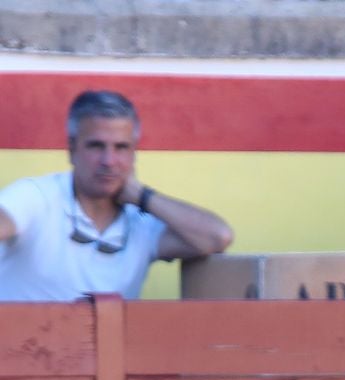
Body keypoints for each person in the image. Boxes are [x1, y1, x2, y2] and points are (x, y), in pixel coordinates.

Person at [0, 90, 233, 302]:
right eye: (96, 146)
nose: (109, 161)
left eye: (121, 147)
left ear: (134, 153)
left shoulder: (142, 221)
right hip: (25, 347)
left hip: (106, 348)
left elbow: (218, 237)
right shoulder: (37, 196)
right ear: (72, 149)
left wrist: (143, 196)